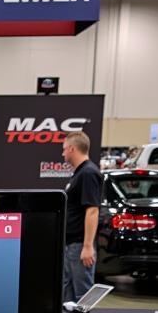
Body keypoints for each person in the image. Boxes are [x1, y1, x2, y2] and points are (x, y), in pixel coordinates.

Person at [61, 130, 102, 303]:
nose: (62, 153)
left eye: (64, 149)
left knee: (82, 297)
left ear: (71, 149)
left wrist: (87, 246)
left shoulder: (88, 173)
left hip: (79, 245)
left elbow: (92, 210)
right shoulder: (79, 173)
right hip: (71, 245)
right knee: (67, 295)